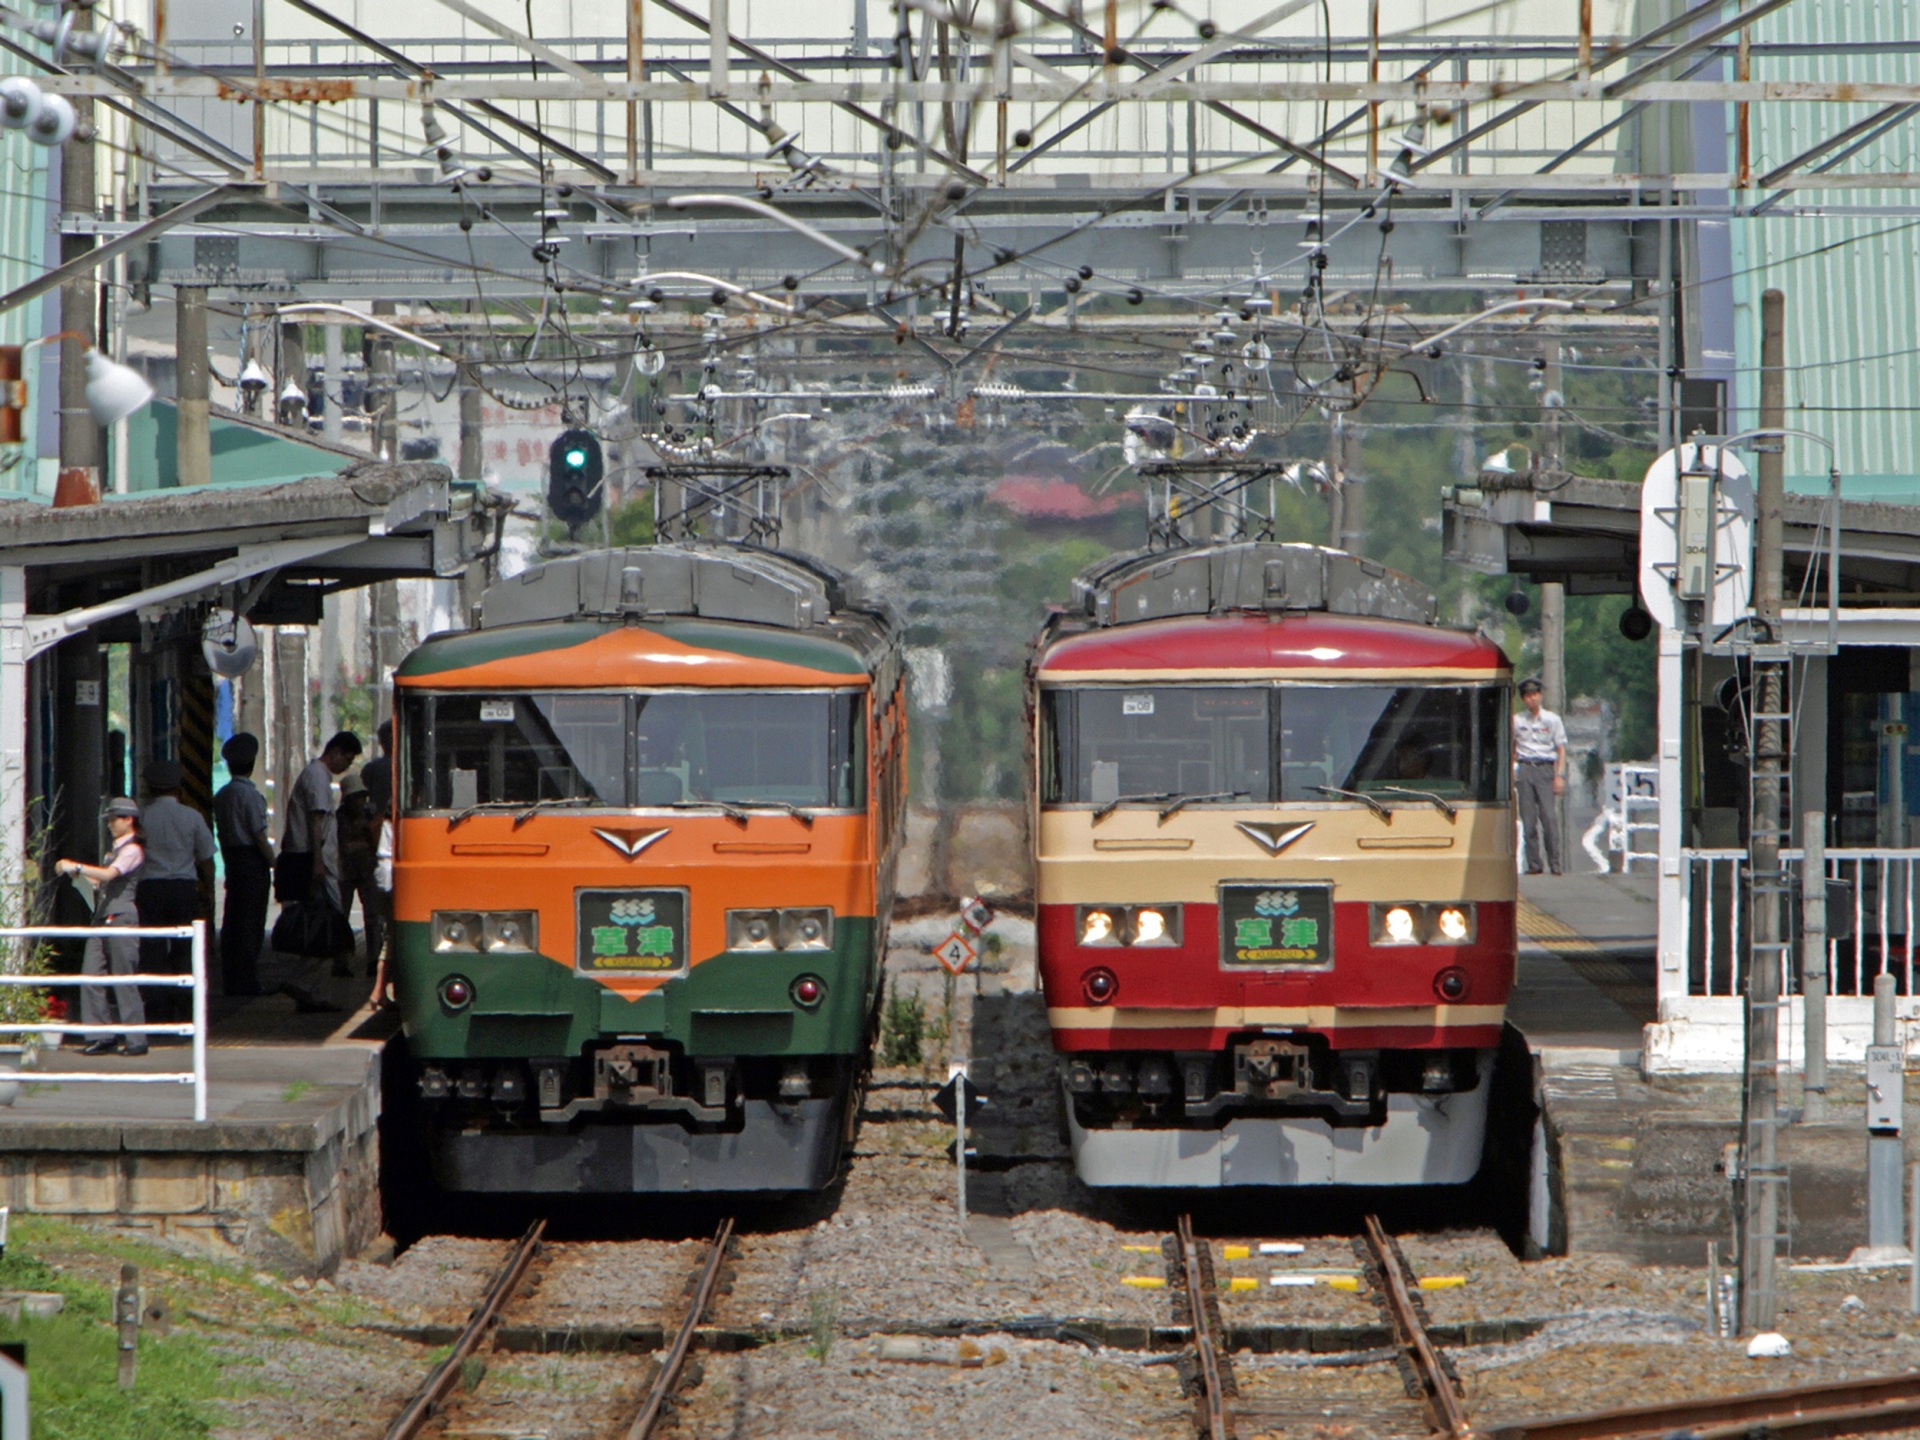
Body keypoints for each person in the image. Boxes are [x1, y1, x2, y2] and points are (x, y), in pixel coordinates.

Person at [54, 797, 147, 1057]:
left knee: (123, 978)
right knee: (91, 975)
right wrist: (80, 876)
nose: (109, 824)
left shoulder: (133, 850)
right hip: (101, 915)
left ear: (129, 820)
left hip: (121, 916)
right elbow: (100, 881)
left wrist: (79, 866)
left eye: (114, 819)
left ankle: (135, 1038)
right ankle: (100, 1034)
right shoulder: (113, 850)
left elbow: (109, 875)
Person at [135, 759, 215, 1022]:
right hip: (183, 889)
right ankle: (185, 1003)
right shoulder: (191, 817)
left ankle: (156, 1005)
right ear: (178, 786)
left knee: (152, 949)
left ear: (149, 786)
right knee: (184, 948)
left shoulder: (141, 818)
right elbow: (206, 858)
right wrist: (209, 892)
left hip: (150, 888)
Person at [283, 732, 361, 977]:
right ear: (335, 752)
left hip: (315, 858)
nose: (346, 766)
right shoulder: (317, 777)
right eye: (346, 760)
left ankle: (311, 979)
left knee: (323, 920)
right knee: (326, 921)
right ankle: (305, 978)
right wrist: (318, 861)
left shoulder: (317, 775)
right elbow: (317, 821)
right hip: (312, 859)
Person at [213, 733, 274, 997]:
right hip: (251, 861)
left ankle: (230, 979)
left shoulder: (222, 795)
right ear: (251, 763)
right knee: (251, 923)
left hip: (232, 860)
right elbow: (258, 834)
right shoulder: (251, 796)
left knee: (232, 922)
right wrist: (274, 862)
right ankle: (248, 981)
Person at [1513, 678, 1569, 875]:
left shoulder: (1551, 720)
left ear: (1540, 695)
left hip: (1545, 768)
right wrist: (1514, 769)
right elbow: (1512, 747)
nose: (1532, 699)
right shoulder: (1517, 721)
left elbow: (1561, 749)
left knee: (1549, 818)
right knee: (1528, 820)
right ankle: (1534, 864)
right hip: (1525, 767)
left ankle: (1555, 862)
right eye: (1528, 696)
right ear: (1523, 699)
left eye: (1535, 694)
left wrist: (1559, 775)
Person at [337, 770, 382, 977]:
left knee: (373, 916)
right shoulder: (339, 818)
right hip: (345, 872)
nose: (360, 802)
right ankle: (341, 961)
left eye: (362, 797)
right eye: (356, 798)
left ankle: (373, 959)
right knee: (341, 917)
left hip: (367, 869)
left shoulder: (369, 814)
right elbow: (343, 846)